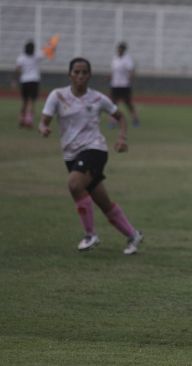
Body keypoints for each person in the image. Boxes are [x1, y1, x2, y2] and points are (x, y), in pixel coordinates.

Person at [38, 57, 144, 255]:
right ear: (69, 74)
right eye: (76, 72)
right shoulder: (57, 96)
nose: (80, 76)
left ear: (89, 75)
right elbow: (44, 121)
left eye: (84, 72)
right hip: (71, 155)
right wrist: (43, 128)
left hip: (95, 149)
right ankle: (133, 234)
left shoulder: (97, 98)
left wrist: (122, 138)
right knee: (103, 202)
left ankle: (90, 235)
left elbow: (120, 116)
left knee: (74, 185)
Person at [13, 39, 57, 129]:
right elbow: (47, 52)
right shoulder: (36, 55)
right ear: (33, 49)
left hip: (24, 81)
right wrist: (52, 47)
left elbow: (17, 69)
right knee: (32, 101)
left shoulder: (21, 57)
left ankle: (22, 119)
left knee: (24, 101)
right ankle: (29, 120)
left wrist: (14, 80)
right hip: (34, 80)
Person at [109, 42, 140, 127]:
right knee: (113, 104)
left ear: (123, 50)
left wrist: (130, 79)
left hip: (124, 85)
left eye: (120, 49)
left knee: (128, 104)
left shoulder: (127, 59)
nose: (119, 50)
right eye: (118, 49)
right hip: (115, 84)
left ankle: (135, 119)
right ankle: (113, 121)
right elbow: (113, 71)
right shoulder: (115, 58)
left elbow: (131, 70)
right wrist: (111, 79)